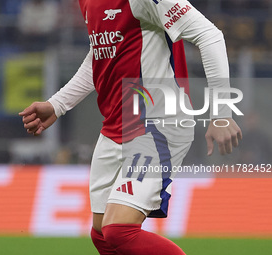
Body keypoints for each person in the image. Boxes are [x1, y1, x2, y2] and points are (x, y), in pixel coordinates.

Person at [19, 0, 242, 254]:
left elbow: (209, 35)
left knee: (119, 230)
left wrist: (221, 114)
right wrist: (58, 104)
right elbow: (102, 51)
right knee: (102, 234)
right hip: (116, 126)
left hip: (158, 124)